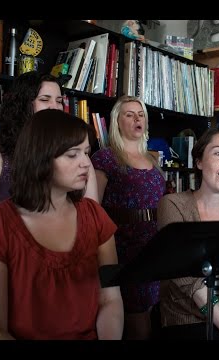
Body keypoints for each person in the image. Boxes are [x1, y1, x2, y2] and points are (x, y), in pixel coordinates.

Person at [0, 109, 123, 339]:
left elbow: (110, 299)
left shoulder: (96, 218)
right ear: (40, 157)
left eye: (87, 153)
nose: (86, 164)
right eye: (73, 154)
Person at [156, 125, 219, 340]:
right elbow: (187, 280)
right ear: (199, 161)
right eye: (218, 153)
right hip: (185, 319)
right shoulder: (172, 205)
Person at [0, 70, 98, 227]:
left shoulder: (81, 159)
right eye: (45, 99)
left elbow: (93, 223)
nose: (55, 107)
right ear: (23, 106)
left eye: (59, 101)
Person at [91, 96, 165, 340]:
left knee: (151, 312)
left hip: (153, 245)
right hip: (121, 246)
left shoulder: (154, 159)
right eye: (129, 114)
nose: (137, 119)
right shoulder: (105, 158)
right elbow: (92, 207)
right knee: (135, 320)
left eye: (140, 114)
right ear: (117, 122)